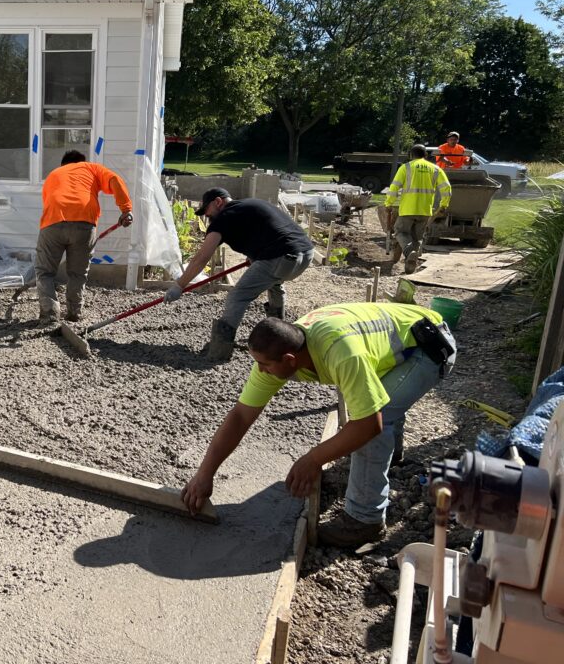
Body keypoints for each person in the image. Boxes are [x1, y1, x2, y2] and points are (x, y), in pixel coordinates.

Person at [181, 302, 457, 548]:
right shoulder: (280, 349)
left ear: (290, 360)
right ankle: (387, 457)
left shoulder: (342, 354)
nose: (260, 370)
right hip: (395, 339)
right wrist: (205, 473)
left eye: (264, 365)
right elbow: (241, 416)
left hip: (427, 346)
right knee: (369, 401)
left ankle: (365, 520)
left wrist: (313, 459)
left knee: (375, 420)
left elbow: (369, 425)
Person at [164, 188, 313, 362]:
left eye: (207, 210)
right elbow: (271, 231)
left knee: (238, 296)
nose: (206, 215)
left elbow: (201, 258)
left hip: (280, 257)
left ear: (218, 202)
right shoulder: (251, 204)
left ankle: (219, 351)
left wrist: (179, 285)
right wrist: (256, 256)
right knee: (275, 283)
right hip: (305, 254)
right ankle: (279, 337)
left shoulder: (224, 217)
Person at [36, 150, 133, 324]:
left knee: (45, 272)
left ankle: (50, 313)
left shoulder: (54, 174)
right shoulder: (92, 168)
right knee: (77, 273)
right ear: (82, 161)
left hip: (53, 222)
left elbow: (49, 202)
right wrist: (126, 210)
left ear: (64, 164)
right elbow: (114, 180)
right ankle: (74, 312)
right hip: (84, 223)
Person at [385, 144, 452, 274]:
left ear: (411, 155)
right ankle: (410, 265)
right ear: (425, 155)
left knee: (400, 231)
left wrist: (388, 203)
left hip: (408, 209)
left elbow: (394, 188)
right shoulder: (435, 169)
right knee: (417, 237)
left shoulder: (406, 167)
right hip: (425, 210)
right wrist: (444, 204)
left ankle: (410, 252)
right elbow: (446, 187)